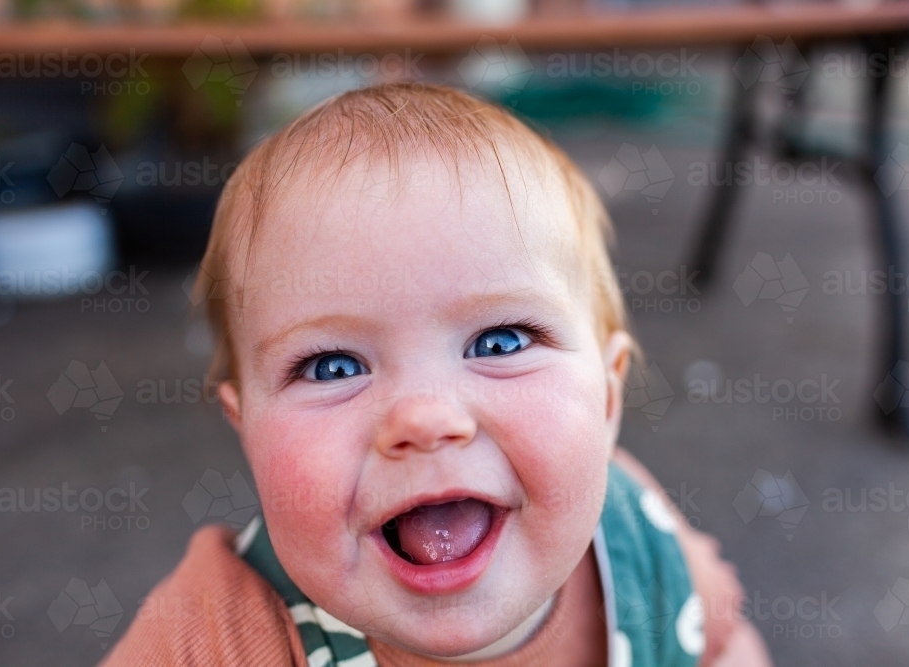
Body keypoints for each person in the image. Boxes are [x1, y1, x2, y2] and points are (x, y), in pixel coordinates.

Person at [102, 83, 771, 667]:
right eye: (333, 365)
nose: (424, 417)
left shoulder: (639, 545)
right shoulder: (218, 634)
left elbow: (723, 647)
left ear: (606, 395)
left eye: (501, 340)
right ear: (246, 428)